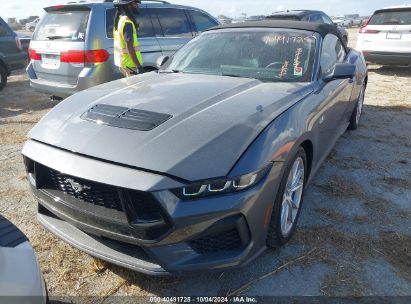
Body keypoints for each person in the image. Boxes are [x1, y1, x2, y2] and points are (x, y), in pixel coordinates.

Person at [113, 0, 144, 77]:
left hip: (123, 63)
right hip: (130, 65)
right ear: (128, 6)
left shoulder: (120, 20)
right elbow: (129, 46)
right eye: (135, 3)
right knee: (136, 88)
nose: (137, 6)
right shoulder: (128, 23)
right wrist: (139, 66)